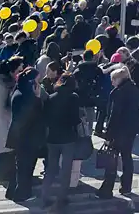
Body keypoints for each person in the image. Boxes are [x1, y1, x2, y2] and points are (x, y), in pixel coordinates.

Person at [97, 66, 139, 199]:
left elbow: (114, 114)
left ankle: (107, 189)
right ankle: (126, 187)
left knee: (112, 159)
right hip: (130, 129)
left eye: (113, 80)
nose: (112, 83)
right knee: (127, 157)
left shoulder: (118, 92)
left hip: (118, 130)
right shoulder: (134, 89)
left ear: (118, 79)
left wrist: (108, 134)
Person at [42, 73, 83, 212]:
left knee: (51, 169)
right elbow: (75, 119)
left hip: (52, 138)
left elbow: (45, 118)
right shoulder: (74, 98)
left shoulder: (50, 97)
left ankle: (44, 196)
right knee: (66, 170)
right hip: (68, 138)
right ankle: (62, 198)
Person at [5, 68, 46, 203]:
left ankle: (13, 191)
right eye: (37, 80)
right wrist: (38, 98)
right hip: (28, 137)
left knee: (20, 166)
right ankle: (23, 194)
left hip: (20, 136)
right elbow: (36, 115)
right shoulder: (27, 96)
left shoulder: (18, 91)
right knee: (26, 167)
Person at [0, 57, 23, 185]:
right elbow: (3, 105)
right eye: (19, 69)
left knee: (4, 147)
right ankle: (4, 175)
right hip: (5, 120)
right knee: (5, 148)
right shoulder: (4, 85)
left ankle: (4, 174)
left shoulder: (1, 82)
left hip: (2, 120)